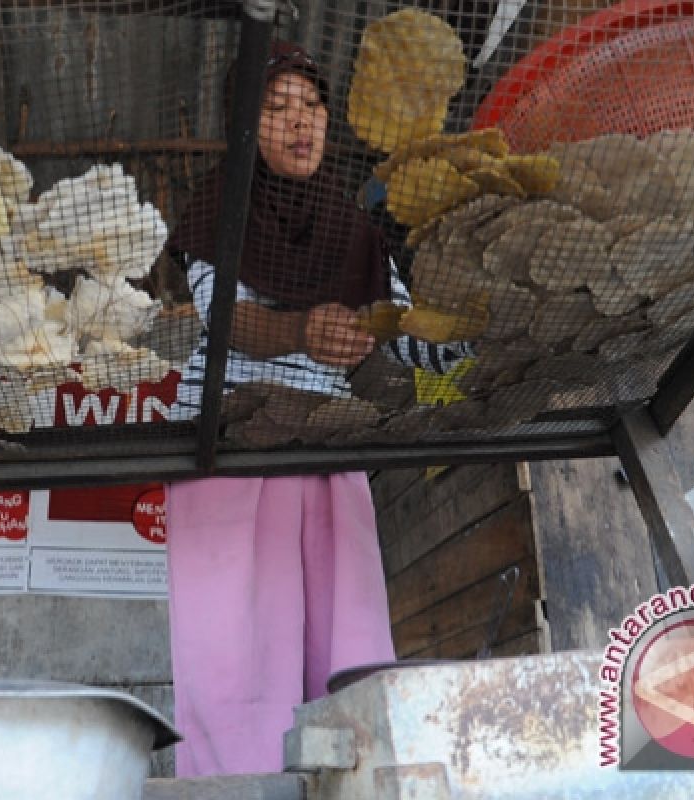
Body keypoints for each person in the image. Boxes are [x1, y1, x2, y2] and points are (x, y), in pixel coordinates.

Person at [163, 41, 475, 777]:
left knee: (351, 654)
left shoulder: (352, 229)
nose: (300, 123)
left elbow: (398, 332)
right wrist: (302, 330)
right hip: (229, 453)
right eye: (275, 109)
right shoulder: (216, 207)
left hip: (326, 447)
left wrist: (471, 341)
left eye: (312, 107)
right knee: (237, 663)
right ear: (243, 127)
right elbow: (224, 317)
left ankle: (355, 785)